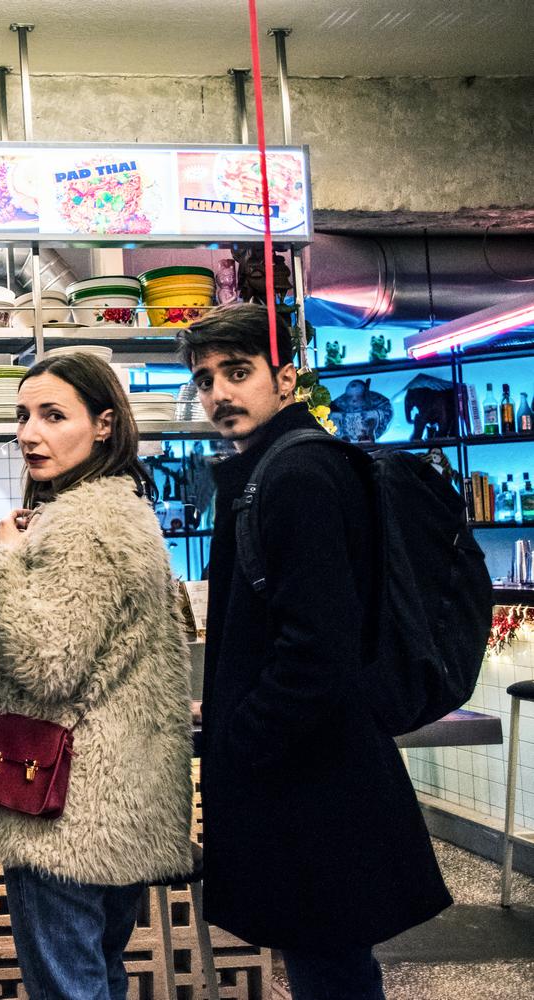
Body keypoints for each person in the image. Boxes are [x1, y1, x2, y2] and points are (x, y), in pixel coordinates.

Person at [180, 303, 450, 999]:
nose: (219, 393)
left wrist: (242, 735)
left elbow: (316, 651)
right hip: (315, 766)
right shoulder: (279, 467)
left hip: (312, 780)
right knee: (329, 962)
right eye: (206, 380)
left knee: (331, 969)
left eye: (238, 372)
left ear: (286, 379)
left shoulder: (296, 475)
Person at [0, 353, 194, 1000]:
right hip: (118, 802)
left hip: (63, 811)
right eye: (23, 416)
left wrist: (4, 563)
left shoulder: (81, 525)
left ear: (104, 425)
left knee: (70, 988)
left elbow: (44, 664)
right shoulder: (124, 510)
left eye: (53, 416)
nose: (29, 434)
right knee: (101, 975)